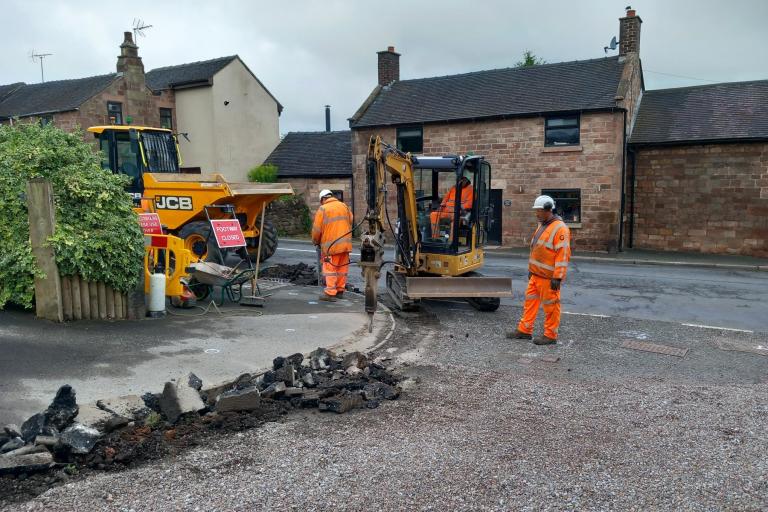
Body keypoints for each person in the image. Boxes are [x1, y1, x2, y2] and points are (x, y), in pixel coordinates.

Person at [507, 195, 571, 345]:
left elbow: (562, 255)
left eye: (539, 210)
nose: (536, 213)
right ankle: (524, 330)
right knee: (530, 304)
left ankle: (550, 335)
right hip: (536, 275)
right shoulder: (543, 225)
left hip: (548, 278)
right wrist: (532, 269)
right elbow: (537, 249)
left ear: (548, 209)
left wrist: (558, 277)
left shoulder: (560, 228)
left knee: (551, 306)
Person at [312, 189, 353, 302]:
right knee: (342, 269)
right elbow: (350, 220)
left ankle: (330, 293)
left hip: (331, 246)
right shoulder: (344, 206)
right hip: (345, 245)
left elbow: (317, 229)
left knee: (330, 269)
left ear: (322, 199)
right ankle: (340, 291)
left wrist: (316, 241)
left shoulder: (323, 209)